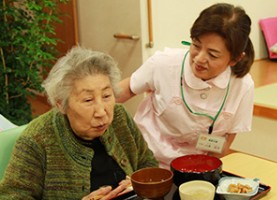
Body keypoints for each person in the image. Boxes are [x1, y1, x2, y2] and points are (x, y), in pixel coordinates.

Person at [0, 46, 158, 199]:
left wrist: (139, 184)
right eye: (88, 100)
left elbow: (147, 162)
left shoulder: (119, 116)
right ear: (61, 104)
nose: (102, 112)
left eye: (106, 96)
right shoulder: (37, 140)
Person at [118, 3, 255, 169]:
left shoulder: (242, 86)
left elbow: (224, 144)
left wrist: (200, 175)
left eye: (212, 54)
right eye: (196, 45)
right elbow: (124, 90)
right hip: (145, 160)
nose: (199, 59)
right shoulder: (164, 64)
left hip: (195, 168)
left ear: (234, 59)